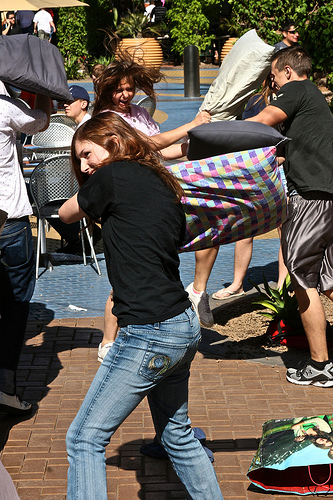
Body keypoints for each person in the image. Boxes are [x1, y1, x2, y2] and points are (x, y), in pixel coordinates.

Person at [59, 112, 223, 500]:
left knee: (84, 439)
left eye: (87, 154)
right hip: (182, 324)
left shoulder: (112, 178)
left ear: (113, 142)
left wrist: (89, 183)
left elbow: (66, 213)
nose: (84, 166)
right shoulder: (164, 182)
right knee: (178, 436)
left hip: (148, 332)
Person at [94, 58, 211, 362]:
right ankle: (108, 341)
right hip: (123, 200)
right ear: (108, 90)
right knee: (122, 277)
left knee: (151, 266)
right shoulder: (107, 119)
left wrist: (192, 146)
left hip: (150, 197)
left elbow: (163, 151)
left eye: (130, 88)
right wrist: (191, 125)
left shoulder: (141, 114)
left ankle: (146, 332)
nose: (126, 95)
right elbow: (148, 144)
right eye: (119, 89)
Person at [247, 46, 333, 387]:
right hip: (326, 195)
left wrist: (216, 134)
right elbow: (285, 154)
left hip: (310, 198)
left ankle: (320, 365)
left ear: (285, 71)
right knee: (327, 279)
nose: (273, 85)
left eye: (272, 77)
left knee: (302, 277)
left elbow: (261, 123)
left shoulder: (296, 89)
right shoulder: (315, 102)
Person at [211, 77, 288, 300]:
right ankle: (237, 284)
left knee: (285, 228)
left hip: (280, 168)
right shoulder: (255, 101)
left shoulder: (290, 100)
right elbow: (245, 136)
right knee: (245, 227)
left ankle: (283, 284)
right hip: (256, 170)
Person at [0, 81, 51, 414]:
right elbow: (41, 121)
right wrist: (43, 86)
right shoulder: (4, 104)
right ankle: (5, 387)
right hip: (10, 219)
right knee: (15, 306)